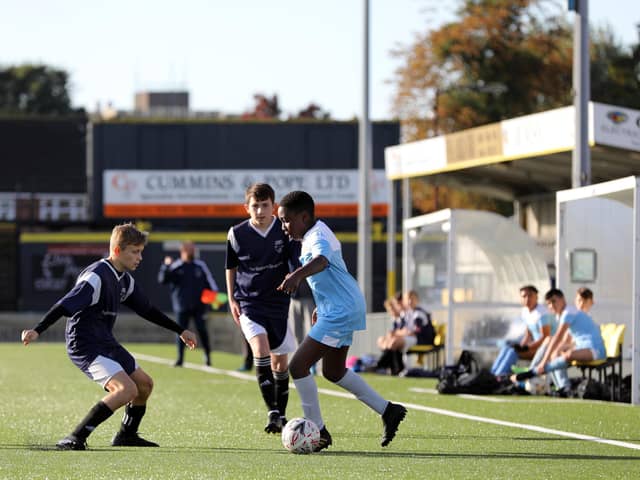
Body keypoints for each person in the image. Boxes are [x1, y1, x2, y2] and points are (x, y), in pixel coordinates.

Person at [21, 222, 197, 450]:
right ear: (117, 251)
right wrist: (38, 329)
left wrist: (180, 330)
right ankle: (75, 437)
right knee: (126, 390)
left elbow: (147, 310)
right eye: (135, 252)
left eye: (141, 252)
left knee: (144, 385)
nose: (140, 257)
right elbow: (65, 305)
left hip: (105, 341)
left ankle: (126, 435)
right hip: (84, 345)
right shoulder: (96, 277)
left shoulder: (124, 279)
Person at [276, 190, 407, 451]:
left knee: (298, 366)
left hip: (341, 310)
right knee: (333, 371)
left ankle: (318, 430)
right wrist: (319, 306)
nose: (284, 227)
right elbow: (328, 276)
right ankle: (388, 411)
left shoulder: (318, 235)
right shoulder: (311, 235)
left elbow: (322, 261)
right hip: (337, 308)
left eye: (286, 220)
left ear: (304, 217)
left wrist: (296, 276)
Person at [225, 183, 298, 434]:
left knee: (280, 362)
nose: (260, 210)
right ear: (247, 208)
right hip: (249, 302)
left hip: (278, 303)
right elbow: (231, 267)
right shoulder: (236, 234)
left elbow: (295, 262)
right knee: (260, 347)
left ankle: (283, 414)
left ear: (274, 206)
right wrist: (232, 298)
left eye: (265, 205)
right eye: (255, 206)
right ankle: (272, 412)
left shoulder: (284, 230)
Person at [512, 288, 606, 397]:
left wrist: (544, 362)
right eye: (549, 303)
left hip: (596, 350)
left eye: (554, 301)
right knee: (555, 352)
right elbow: (565, 340)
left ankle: (533, 373)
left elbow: (558, 337)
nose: (552, 305)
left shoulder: (568, 312)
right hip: (581, 347)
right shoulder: (563, 315)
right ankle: (561, 387)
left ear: (562, 299)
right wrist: (555, 353)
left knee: (566, 354)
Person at [158, 240, 218, 367]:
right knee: (180, 332)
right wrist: (166, 266)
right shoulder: (176, 266)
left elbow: (211, 284)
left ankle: (207, 356)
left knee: (202, 330)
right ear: (183, 251)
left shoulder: (200, 265)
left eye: (192, 249)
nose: (191, 251)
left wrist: (213, 297)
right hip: (181, 306)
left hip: (199, 306)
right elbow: (162, 280)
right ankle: (180, 359)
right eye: (189, 249)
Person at [490, 285, 553, 376]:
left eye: (530, 295)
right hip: (534, 347)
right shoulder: (525, 311)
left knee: (513, 352)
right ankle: (492, 374)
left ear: (537, 297)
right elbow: (528, 334)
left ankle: (500, 376)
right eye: (524, 296)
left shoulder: (542, 313)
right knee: (507, 348)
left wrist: (527, 348)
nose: (527, 299)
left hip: (545, 349)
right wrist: (521, 346)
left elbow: (545, 337)